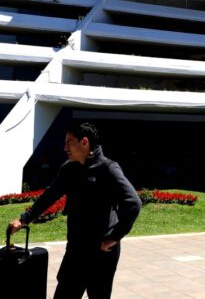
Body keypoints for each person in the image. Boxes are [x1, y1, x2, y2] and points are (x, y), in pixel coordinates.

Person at [7, 122, 142, 299]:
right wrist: (24, 219)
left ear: (84, 142)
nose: (65, 148)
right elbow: (50, 195)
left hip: (102, 252)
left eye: (69, 142)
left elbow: (133, 203)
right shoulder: (69, 169)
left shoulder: (108, 168)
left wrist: (115, 237)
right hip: (76, 249)